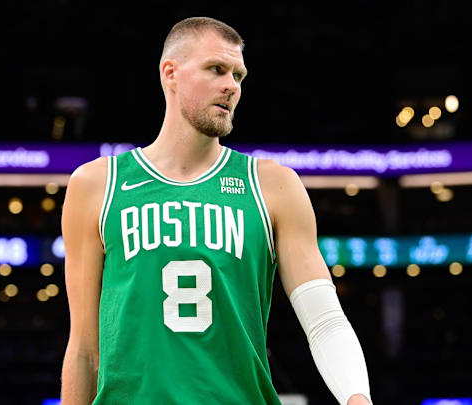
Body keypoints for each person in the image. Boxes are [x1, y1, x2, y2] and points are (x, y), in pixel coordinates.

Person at [60, 16, 371, 405]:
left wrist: (357, 397)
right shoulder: (97, 185)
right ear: (170, 73)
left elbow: (324, 320)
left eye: (239, 76)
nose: (231, 86)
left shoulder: (272, 186)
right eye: (216, 69)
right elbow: (85, 349)